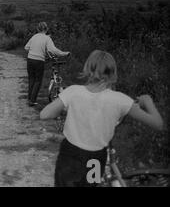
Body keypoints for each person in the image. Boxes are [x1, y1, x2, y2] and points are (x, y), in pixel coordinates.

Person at [40, 50, 164, 187]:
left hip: (70, 156)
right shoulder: (120, 100)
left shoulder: (73, 92)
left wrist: (64, 108)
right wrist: (148, 102)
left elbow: (44, 114)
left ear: (87, 68)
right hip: (96, 158)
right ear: (112, 73)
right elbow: (158, 124)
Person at [24, 22, 69, 106]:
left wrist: (34, 50)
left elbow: (26, 47)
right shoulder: (47, 39)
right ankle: (32, 101)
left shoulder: (34, 37)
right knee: (38, 81)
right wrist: (64, 53)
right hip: (39, 61)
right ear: (46, 29)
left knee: (31, 79)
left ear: (38, 29)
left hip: (30, 59)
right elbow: (53, 50)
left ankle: (29, 99)